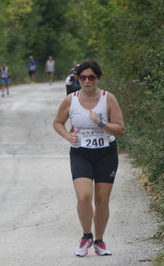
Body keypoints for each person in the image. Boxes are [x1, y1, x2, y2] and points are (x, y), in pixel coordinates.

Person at [53, 59, 125, 257]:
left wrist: (101, 123)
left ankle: (99, 241)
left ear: (97, 78)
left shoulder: (108, 99)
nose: (87, 81)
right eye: (83, 77)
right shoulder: (71, 100)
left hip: (106, 153)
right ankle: (86, 236)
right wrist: (67, 136)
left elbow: (120, 129)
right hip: (81, 153)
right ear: (78, 78)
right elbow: (58, 122)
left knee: (102, 200)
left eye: (91, 77)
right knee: (84, 196)